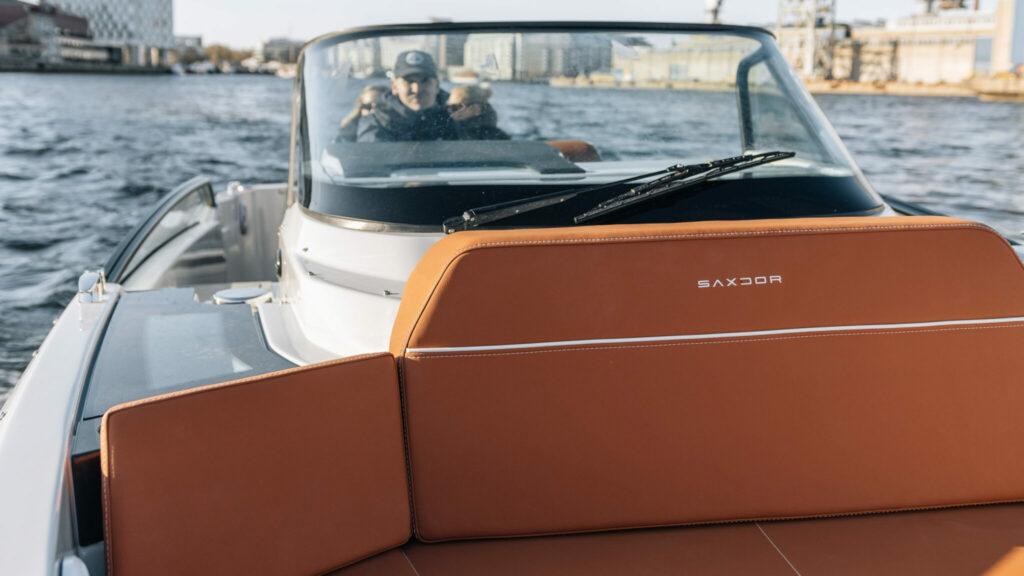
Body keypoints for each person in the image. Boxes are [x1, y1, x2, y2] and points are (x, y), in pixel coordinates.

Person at [357, 51, 462, 142]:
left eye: (425, 81)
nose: (417, 89)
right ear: (394, 86)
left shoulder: (455, 119)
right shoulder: (378, 122)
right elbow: (371, 157)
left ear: (437, 85)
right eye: (409, 81)